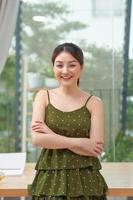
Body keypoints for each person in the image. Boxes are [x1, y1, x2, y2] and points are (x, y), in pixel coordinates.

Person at [28, 43, 108, 200]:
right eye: (59, 65)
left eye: (72, 65)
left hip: (86, 180)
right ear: (53, 68)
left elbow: (94, 149)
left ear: (81, 67)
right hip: (50, 178)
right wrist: (81, 142)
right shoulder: (43, 96)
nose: (65, 71)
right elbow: (37, 139)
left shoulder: (94, 102)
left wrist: (51, 135)